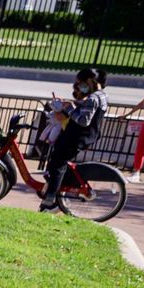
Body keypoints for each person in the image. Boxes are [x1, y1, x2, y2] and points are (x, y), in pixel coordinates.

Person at [39, 68, 110, 212]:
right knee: (56, 161)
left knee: (58, 164)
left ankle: (51, 200)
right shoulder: (102, 96)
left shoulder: (93, 98)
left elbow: (84, 121)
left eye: (80, 83)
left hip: (77, 136)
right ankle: (55, 191)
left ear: (90, 81)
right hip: (81, 135)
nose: (79, 87)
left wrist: (70, 109)